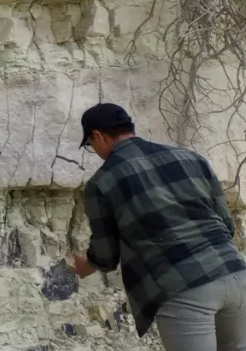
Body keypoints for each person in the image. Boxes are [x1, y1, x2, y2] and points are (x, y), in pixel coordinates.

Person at [71, 102, 246, 351]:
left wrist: (86, 266)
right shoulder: (192, 158)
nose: (95, 150)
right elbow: (226, 224)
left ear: (98, 135)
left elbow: (106, 254)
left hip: (184, 288)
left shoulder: (102, 182)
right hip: (237, 273)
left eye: (90, 145)